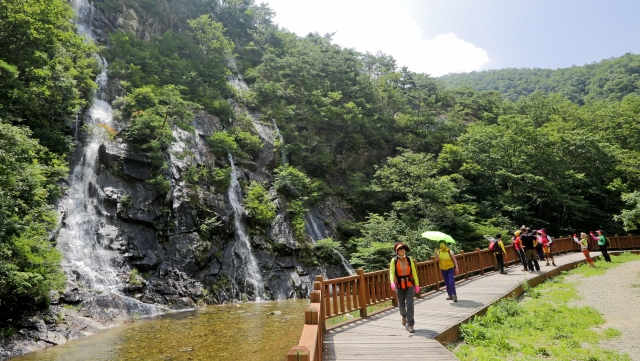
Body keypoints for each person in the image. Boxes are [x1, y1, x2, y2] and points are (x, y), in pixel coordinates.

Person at [389, 243, 420, 333]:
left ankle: (410, 324)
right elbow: (391, 272)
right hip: (399, 285)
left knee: (410, 304)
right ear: (397, 251)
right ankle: (403, 316)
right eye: (400, 249)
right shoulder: (394, 260)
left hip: (409, 284)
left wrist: (417, 284)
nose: (402, 250)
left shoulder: (409, 259)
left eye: (403, 248)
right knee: (401, 305)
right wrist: (392, 283)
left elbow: (414, 272)